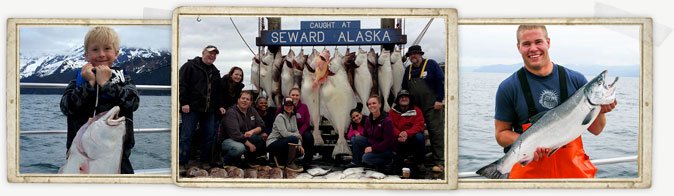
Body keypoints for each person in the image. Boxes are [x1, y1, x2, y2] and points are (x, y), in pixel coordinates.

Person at [494, 25, 618, 178]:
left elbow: (596, 130)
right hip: (529, 178)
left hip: (573, 176)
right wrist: (532, 143)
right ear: (518, 47)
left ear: (548, 43)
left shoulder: (576, 80)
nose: (533, 48)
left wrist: (601, 111)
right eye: (526, 44)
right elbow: (501, 135)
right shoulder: (508, 87)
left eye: (538, 42)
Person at [60, 26, 139, 174]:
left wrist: (106, 85)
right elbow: (66, 107)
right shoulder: (79, 79)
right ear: (86, 55)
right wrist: (89, 85)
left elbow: (133, 102)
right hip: (80, 153)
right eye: (95, 50)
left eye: (107, 48)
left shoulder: (124, 78)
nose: (101, 54)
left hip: (118, 150)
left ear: (116, 53)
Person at [178, 45, 225, 169]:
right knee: (186, 136)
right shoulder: (189, 66)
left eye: (214, 54)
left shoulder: (215, 72)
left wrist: (220, 105)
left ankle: (204, 161)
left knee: (209, 135)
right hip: (191, 109)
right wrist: (184, 102)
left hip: (209, 110)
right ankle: (182, 163)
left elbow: (218, 92)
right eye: (210, 53)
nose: (212, 56)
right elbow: (181, 84)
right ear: (203, 53)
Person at [401, 44, 445, 173]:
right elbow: (404, 88)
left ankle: (440, 162)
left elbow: (440, 82)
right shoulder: (408, 69)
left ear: (421, 54)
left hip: (432, 106)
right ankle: (415, 158)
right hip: (415, 108)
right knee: (414, 133)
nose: (413, 56)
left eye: (415, 53)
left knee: (436, 133)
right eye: (411, 54)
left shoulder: (431, 64)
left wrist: (439, 100)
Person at [220, 91, 266, 167]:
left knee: (261, 140)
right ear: (238, 100)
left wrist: (252, 131)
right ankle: (224, 160)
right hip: (229, 139)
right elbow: (235, 134)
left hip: (245, 137)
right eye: (243, 98)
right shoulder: (231, 112)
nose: (245, 100)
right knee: (240, 148)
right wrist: (250, 145)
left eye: (247, 99)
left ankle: (247, 161)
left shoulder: (252, 110)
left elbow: (261, 125)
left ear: (251, 102)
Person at [349, 95, 395, 172]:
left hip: (386, 149)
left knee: (366, 158)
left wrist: (372, 148)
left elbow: (388, 142)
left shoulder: (387, 121)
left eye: (374, 103)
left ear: (380, 104)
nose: (371, 106)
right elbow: (366, 136)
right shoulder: (368, 120)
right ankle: (357, 162)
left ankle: (388, 162)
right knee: (356, 139)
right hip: (373, 144)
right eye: (369, 104)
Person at [388, 89, 426, 172]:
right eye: (401, 97)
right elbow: (391, 126)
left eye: (406, 97)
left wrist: (406, 133)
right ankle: (395, 162)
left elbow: (419, 125)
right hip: (398, 138)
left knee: (420, 137)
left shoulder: (417, 110)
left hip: (412, 138)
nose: (404, 99)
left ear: (410, 99)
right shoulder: (392, 112)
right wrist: (399, 134)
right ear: (398, 100)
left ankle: (419, 162)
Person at [276, 88, 313, 166]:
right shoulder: (282, 107)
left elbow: (306, 123)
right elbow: (277, 120)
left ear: (300, 96)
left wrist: (299, 133)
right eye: (293, 95)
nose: (295, 97)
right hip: (286, 131)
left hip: (301, 130)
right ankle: (287, 159)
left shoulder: (304, 107)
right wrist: (295, 135)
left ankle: (308, 159)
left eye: (297, 95)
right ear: (289, 96)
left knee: (308, 137)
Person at [266, 98, 305, 172]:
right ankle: (289, 163)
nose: (289, 107)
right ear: (283, 106)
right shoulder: (279, 117)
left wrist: (299, 145)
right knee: (293, 139)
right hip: (273, 143)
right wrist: (298, 136)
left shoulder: (293, 117)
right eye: (286, 105)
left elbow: (296, 131)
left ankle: (281, 159)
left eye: (291, 105)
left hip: (284, 142)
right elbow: (284, 134)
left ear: (293, 106)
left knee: (300, 152)